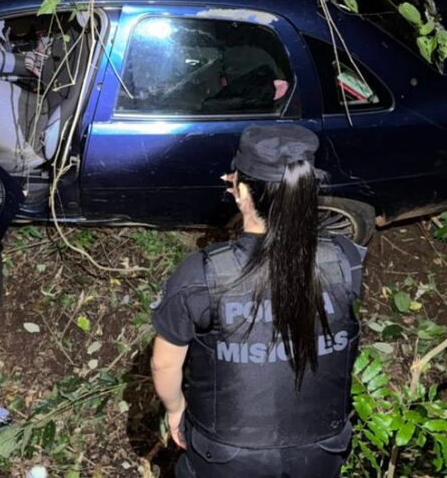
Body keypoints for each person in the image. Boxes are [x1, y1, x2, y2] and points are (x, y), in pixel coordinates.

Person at [151, 125, 366, 478]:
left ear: (243, 193)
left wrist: (175, 410)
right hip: (321, 451)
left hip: (227, 458)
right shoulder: (345, 259)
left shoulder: (202, 273)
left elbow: (163, 365)